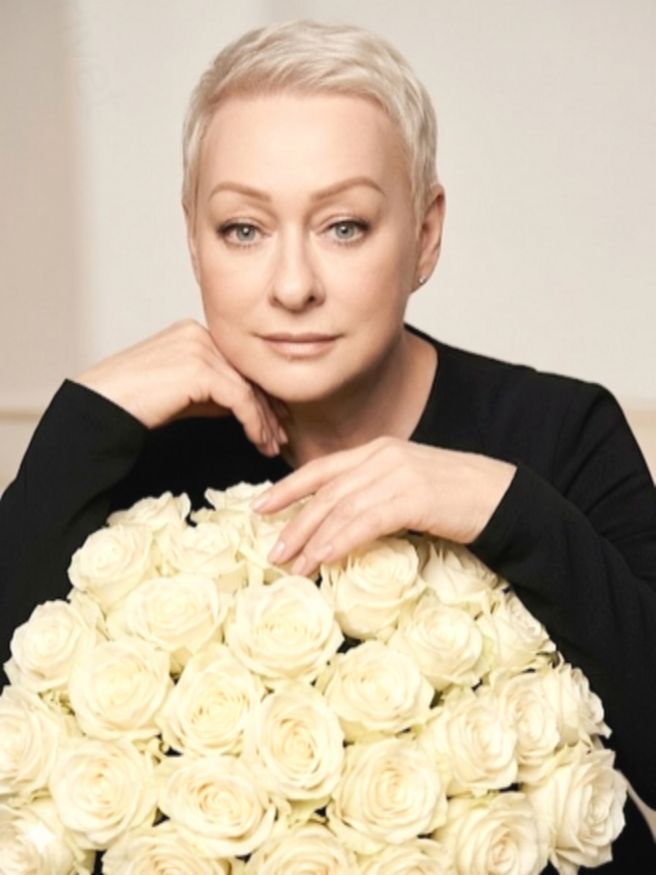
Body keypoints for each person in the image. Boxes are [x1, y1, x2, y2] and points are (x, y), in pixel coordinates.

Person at [1, 19, 655, 872]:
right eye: (244, 229)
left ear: (425, 235)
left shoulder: (561, 432)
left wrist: (497, 504)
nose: (293, 285)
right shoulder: (138, 457)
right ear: (193, 237)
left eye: (344, 226)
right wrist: (85, 417)